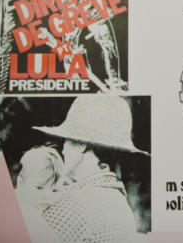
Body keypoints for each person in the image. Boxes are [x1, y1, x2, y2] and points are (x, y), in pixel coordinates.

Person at [32, 95, 149, 243]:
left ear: (82, 144)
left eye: (66, 140)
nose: (63, 149)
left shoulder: (73, 205)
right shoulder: (119, 203)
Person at [15, 146, 64, 243]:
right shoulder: (29, 217)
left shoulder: (33, 208)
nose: (48, 196)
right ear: (20, 183)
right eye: (39, 188)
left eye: (55, 190)